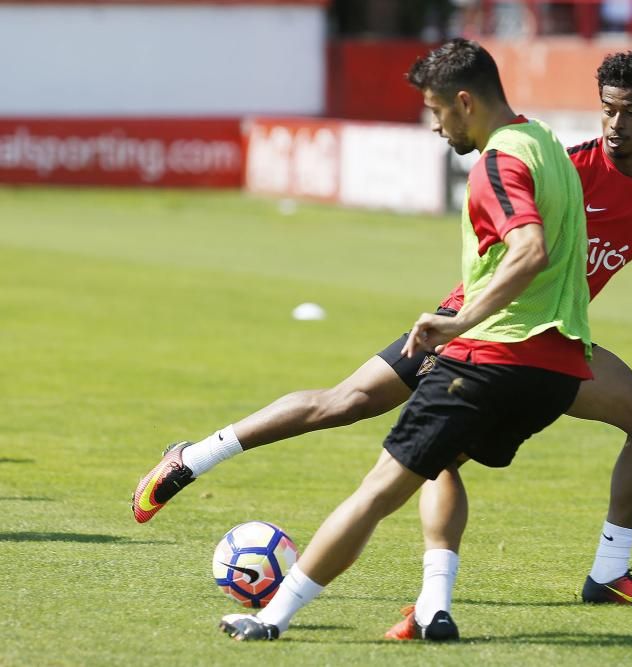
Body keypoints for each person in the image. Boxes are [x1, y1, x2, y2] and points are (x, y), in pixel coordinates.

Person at [132, 50, 632, 638]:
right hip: (475, 325)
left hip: (552, 340)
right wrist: (464, 319)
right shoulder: (561, 160)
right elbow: (517, 240)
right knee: (343, 403)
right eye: (608, 110)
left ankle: (601, 575)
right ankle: (196, 457)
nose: (615, 125)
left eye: (630, 113)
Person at [209, 37, 594, 641]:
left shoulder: (498, 162)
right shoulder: (545, 142)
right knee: (439, 467)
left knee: (375, 493)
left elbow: (529, 251)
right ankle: (431, 608)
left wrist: (460, 321)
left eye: (437, 111)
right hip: (556, 373)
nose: (436, 126)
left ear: (464, 102)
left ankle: (269, 618)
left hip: (489, 358)